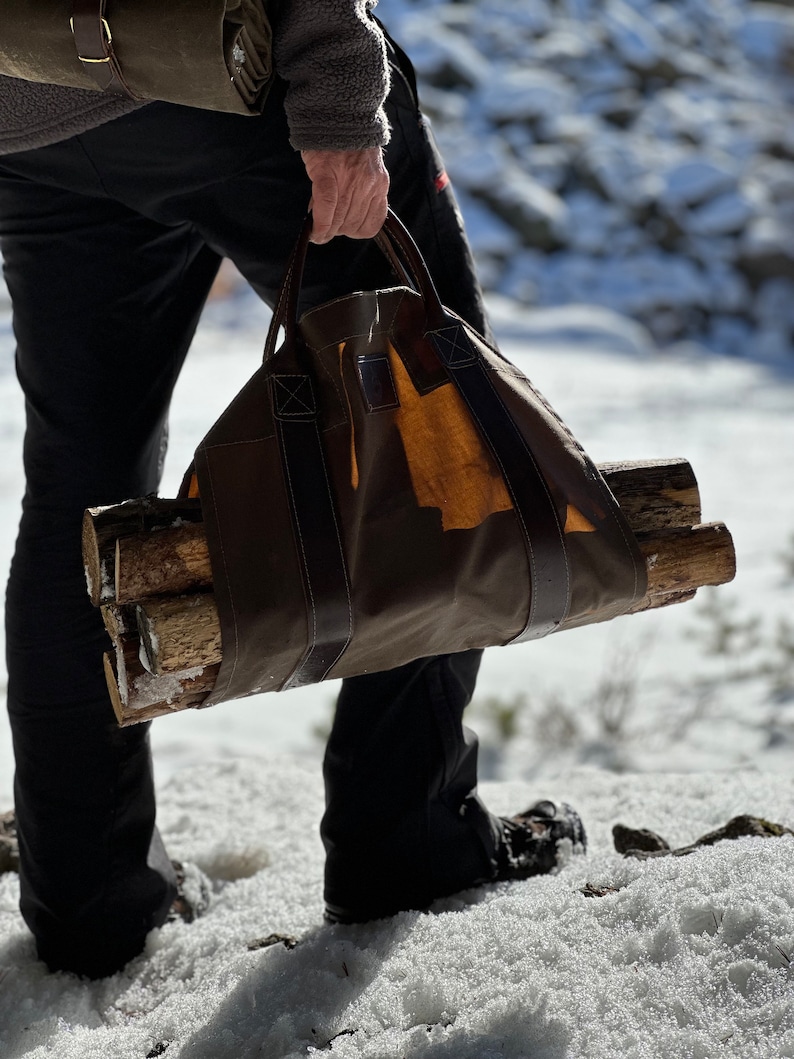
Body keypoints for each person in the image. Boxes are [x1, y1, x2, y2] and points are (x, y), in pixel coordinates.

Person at [0, 0, 585, 979]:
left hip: (27, 95)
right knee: (431, 423)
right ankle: (407, 842)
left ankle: (90, 903)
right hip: (227, 78)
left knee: (80, 481)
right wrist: (339, 96)